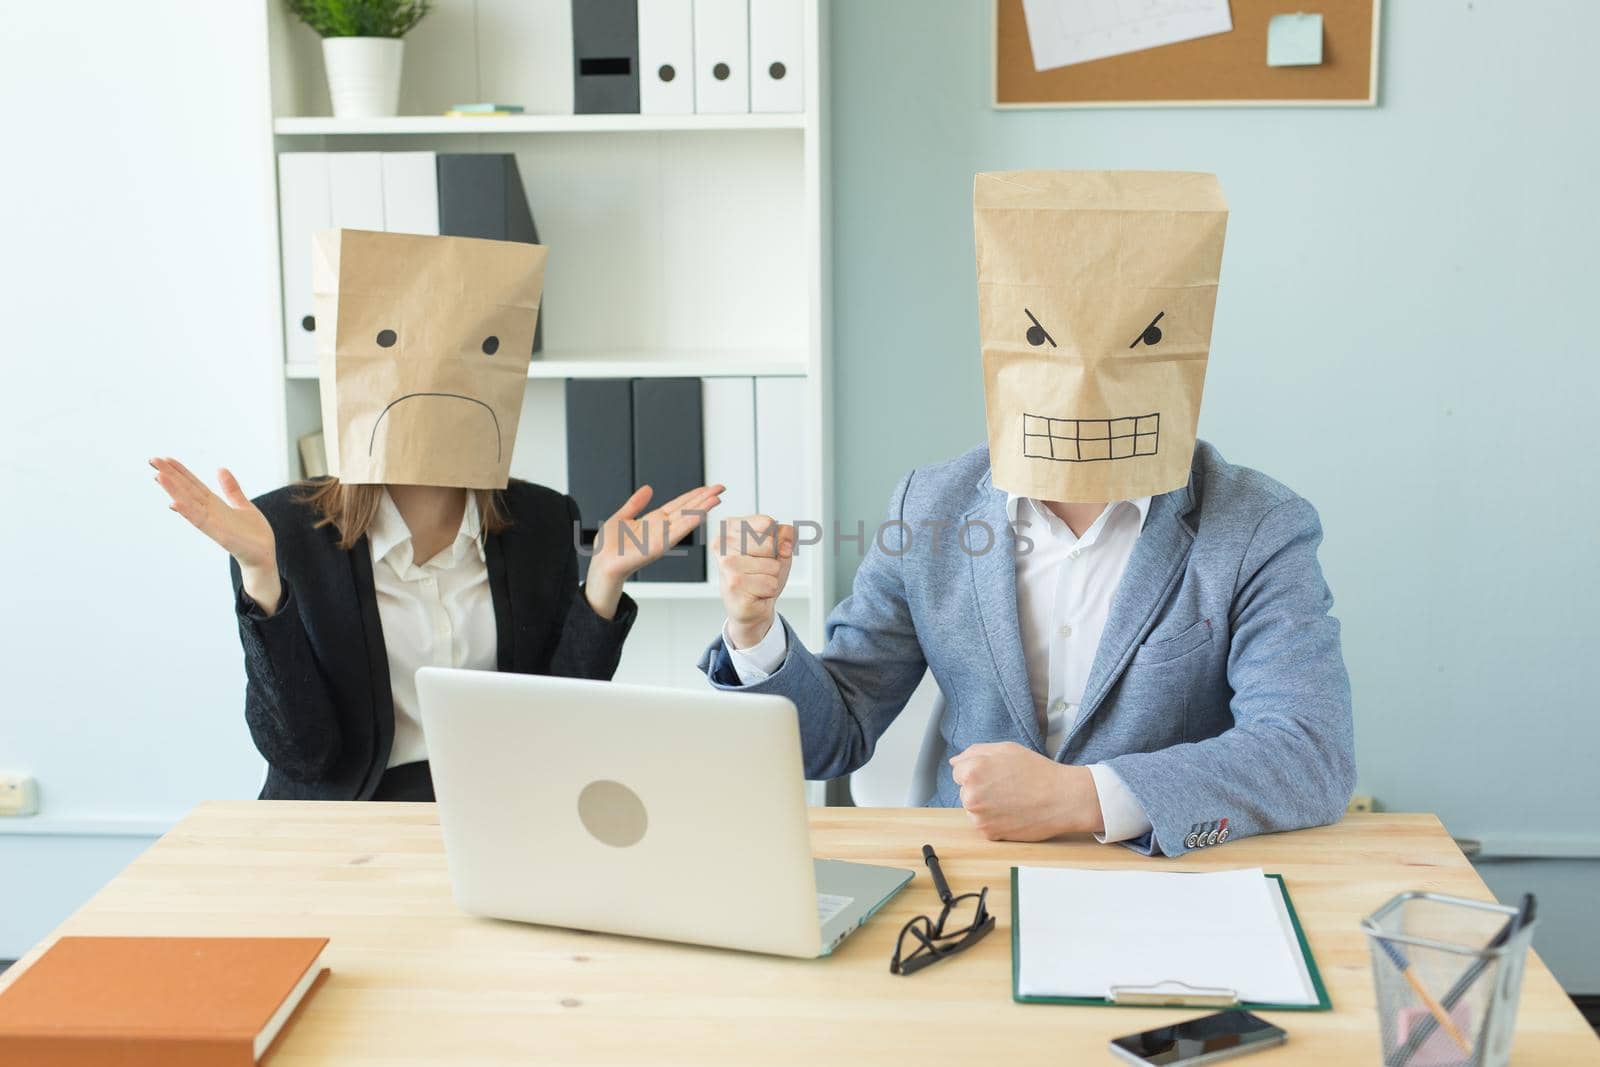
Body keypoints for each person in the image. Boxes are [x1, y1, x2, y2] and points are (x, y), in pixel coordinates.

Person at [701, 171, 1354, 857]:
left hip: (1168, 881)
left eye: (1136, 343)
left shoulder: (1258, 526)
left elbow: (1311, 752)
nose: (1088, 379)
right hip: (965, 880)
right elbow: (831, 738)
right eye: (1046, 341)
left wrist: (1083, 797)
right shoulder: (928, 508)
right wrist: (755, 631)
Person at [153, 229, 722, 801]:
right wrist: (262, 583)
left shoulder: (542, 520)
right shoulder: (281, 532)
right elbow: (303, 755)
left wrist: (601, 583)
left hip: (498, 807)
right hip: (346, 823)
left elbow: (557, 727)